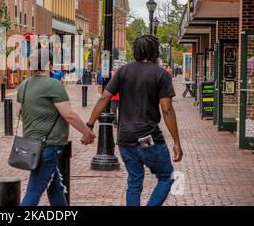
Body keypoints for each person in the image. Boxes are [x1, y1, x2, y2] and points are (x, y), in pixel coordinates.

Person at [87, 35, 183, 206]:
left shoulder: (123, 71)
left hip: (125, 138)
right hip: (149, 138)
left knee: (134, 181)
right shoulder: (161, 75)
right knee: (166, 177)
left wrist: (90, 125)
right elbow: (167, 109)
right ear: (155, 52)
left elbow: (104, 98)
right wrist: (176, 141)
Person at [17, 49, 95, 206]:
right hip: (48, 145)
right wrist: (87, 132)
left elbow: (18, 113)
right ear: (50, 64)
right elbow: (69, 115)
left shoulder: (24, 85)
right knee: (33, 191)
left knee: (55, 188)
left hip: (32, 144)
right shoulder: (53, 85)